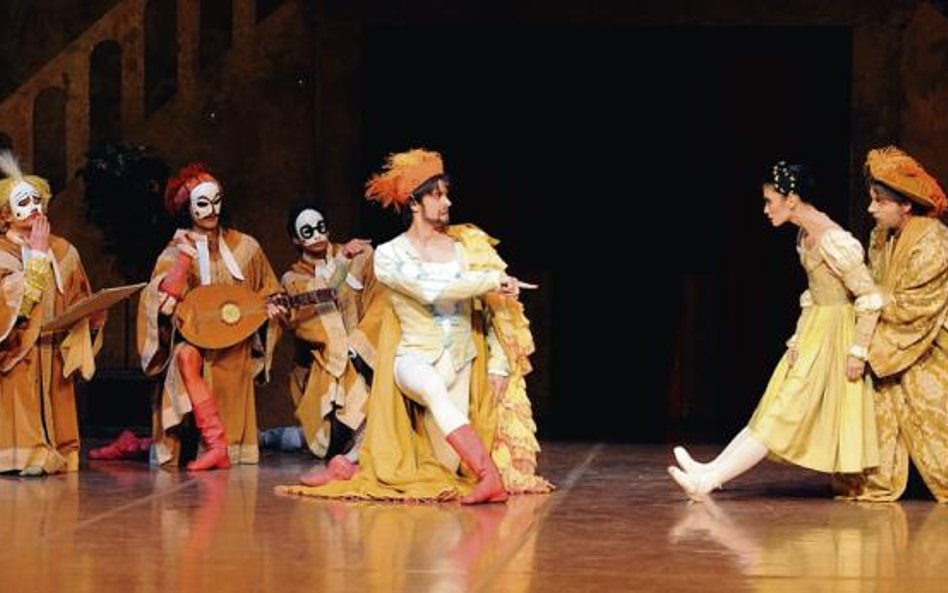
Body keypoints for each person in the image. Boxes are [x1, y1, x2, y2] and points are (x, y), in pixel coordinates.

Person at [278, 148, 547, 503]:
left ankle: (350, 464)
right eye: (437, 194)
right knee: (429, 386)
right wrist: (490, 279)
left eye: (446, 192)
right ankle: (488, 475)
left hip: (461, 361)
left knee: (439, 470)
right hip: (415, 359)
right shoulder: (390, 254)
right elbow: (429, 289)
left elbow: (493, 311)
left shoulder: (464, 248)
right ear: (415, 204)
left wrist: (497, 361)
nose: (447, 201)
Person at [668, 161, 882, 501]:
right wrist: (799, 337)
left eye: (771, 201)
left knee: (781, 414)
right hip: (813, 331)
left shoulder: (835, 240)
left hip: (834, 336)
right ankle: (709, 470)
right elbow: (814, 293)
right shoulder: (804, 235)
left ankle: (709, 480)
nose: (766, 209)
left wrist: (858, 350)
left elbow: (870, 296)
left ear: (792, 198)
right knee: (772, 408)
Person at [136, 162, 282, 471]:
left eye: (216, 201)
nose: (211, 209)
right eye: (202, 203)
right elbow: (161, 303)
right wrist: (184, 258)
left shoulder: (246, 247)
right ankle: (216, 445)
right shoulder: (175, 250)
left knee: (228, 359)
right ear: (188, 208)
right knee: (186, 356)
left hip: (236, 342)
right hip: (196, 342)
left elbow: (270, 289)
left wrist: (270, 308)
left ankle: (223, 448)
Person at [840, 146, 948, 502]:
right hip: (889, 335)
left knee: (927, 396)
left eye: (879, 201)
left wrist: (870, 316)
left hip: (927, 338)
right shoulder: (879, 236)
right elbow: (873, 286)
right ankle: (876, 477)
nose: (871, 209)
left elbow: (917, 304)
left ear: (905, 205)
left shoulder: (934, 240)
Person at [0, 150, 104, 475]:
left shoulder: (65, 250)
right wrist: (37, 259)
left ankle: (62, 450)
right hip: (18, 350)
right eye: (23, 203)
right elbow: (10, 304)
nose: (33, 208)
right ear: (5, 216)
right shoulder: (3, 253)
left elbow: (78, 296)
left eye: (37, 201)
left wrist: (91, 317)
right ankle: (24, 455)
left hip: (54, 350)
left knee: (57, 392)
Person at [279, 204, 379, 486]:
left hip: (369, 355)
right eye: (307, 232)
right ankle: (356, 450)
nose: (317, 236)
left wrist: (363, 342)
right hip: (327, 368)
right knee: (337, 350)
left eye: (320, 227)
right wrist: (343, 261)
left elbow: (379, 295)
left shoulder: (359, 256)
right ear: (296, 240)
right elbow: (319, 304)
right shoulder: (294, 279)